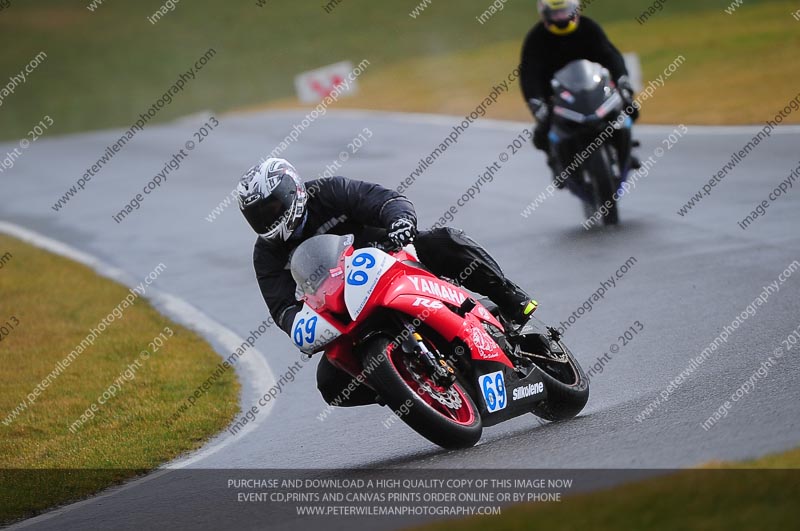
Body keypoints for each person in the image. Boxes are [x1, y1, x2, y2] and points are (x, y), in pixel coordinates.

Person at [237, 158, 538, 406]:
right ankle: (401, 384)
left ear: (292, 192)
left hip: (389, 259)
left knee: (443, 241)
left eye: (271, 208)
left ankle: (510, 297)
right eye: (257, 216)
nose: (267, 220)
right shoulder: (266, 254)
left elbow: (383, 200)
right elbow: (281, 307)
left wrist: (400, 223)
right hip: (341, 305)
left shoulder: (329, 191)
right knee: (330, 384)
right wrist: (298, 325)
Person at [520, 0, 639, 187]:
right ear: (545, 14)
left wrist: (622, 81)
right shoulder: (536, 38)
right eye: (556, 13)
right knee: (541, 132)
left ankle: (626, 151)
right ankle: (555, 162)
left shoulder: (589, 28)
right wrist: (536, 102)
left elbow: (610, 55)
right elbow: (529, 74)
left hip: (594, 87)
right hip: (556, 96)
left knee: (630, 107)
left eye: (565, 11)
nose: (561, 17)